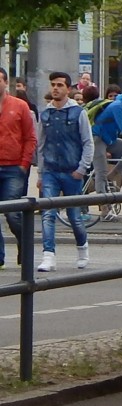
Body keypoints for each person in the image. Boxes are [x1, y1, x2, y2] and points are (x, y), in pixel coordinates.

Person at [35, 72, 94, 271]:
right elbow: (41, 145)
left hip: (72, 171)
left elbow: (88, 142)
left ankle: (82, 248)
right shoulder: (46, 114)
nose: (55, 88)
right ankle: (48, 255)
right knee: (48, 214)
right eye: (53, 84)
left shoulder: (78, 113)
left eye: (60, 85)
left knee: (74, 216)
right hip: (51, 170)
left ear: (68, 89)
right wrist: (41, 173)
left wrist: (82, 168)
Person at [0, 67, 36, 270]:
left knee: (12, 213)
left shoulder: (20, 106)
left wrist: (24, 164)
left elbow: (30, 137)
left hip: (13, 167)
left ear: (6, 83)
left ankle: (25, 243)